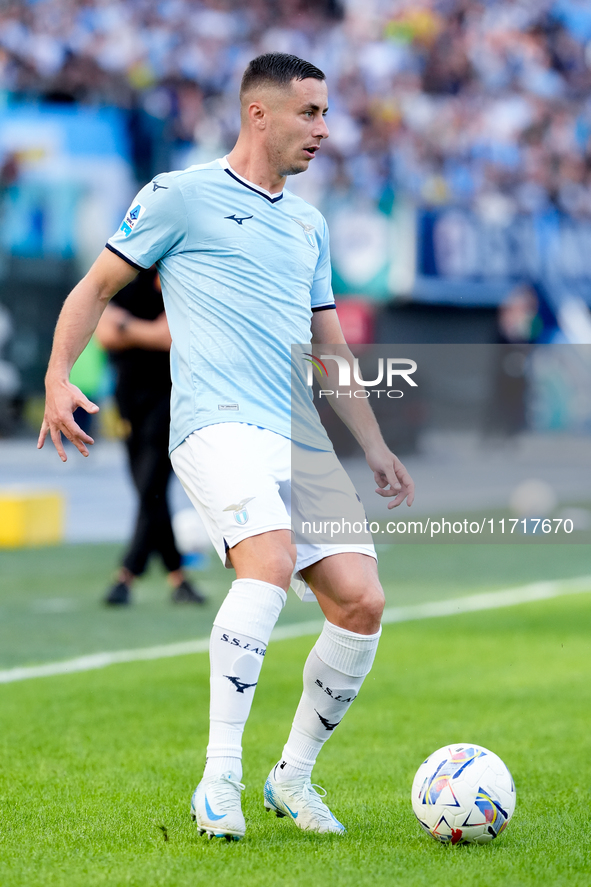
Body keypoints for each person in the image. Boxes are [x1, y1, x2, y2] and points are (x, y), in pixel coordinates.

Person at [39, 52, 414, 840]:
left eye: (325, 113)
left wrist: (373, 445)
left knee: (360, 601)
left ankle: (293, 778)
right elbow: (95, 287)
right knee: (269, 563)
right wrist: (57, 376)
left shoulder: (308, 224)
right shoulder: (181, 195)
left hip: (295, 432)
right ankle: (219, 779)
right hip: (214, 420)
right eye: (308, 113)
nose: (322, 129)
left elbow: (329, 350)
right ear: (258, 115)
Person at [94, 267, 206, 606]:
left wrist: (126, 326)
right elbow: (105, 333)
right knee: (147, 490)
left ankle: (126, 574)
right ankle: (179, 578)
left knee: (150, 486)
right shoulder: (128, 281)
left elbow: (169, 336)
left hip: (171, 400)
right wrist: (142, 331)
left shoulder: (183, 280)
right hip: (129, 403)